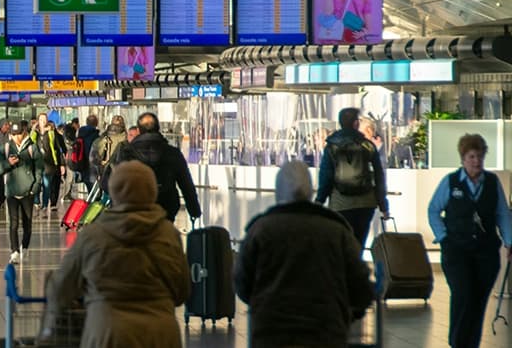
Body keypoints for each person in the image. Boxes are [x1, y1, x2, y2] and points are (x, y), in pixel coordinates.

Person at [42, 160, 189, 347]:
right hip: (160, 333)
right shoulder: (169, 234)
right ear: (152, 190)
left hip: (108, 332)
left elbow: (61, 289)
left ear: (114, 190)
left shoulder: (93, 236)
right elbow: (182, 291)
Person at [234, 161, 375, 346]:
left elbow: (242, 284)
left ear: (278, 193)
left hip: (271, 335)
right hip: (325, 334)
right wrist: (347, 313)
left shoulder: (260, 231)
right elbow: (361, 286)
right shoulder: (337, 232)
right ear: (311, 191)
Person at [427, 134, 512, 348]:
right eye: (472, 156)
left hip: (485, 252)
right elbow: (434, 210)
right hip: (456, 251)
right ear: (463, 158)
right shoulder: (451, 182)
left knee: (478, 300)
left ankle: (470, 343)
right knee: (463, 294)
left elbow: (502, 213)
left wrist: (510, 241)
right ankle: (457, 342)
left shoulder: (492, 183)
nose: (477, 161)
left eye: (480, 157)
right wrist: (443, 237)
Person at [316, 107, 389, 249]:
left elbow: (326, 176)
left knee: (341, 243)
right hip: (365, 203)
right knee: (358, 243)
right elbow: (379, 175)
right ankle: (356, 266)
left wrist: (320, 200)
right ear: (356, 123)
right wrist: (382, 204)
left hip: (340, 203)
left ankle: (344, 269)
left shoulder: (332, 146)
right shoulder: (367, 145)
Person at [131, 113, 202, 223]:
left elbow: (110, 182)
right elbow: (186, 184)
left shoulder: (127, 152)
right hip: (165, 209)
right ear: (158, 128)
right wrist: (194, 210)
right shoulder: (172, 153)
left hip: (135, 210)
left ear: (139, 131)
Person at [4, 120, 42, 264]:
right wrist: (8, 163)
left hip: (28, 191)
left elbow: (39, 168)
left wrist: (35, 187)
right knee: (13, 223)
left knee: (27, 222)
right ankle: (14, 251)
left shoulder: (32, 148)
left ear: (24, 133)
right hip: (12, 191)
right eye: (13, 134)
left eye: (18, 134)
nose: (16, 137)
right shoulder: (7, 147)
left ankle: (24, 247)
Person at [36, 121, 67, 214]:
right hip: (44, 164)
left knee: (54, 184)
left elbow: (62, 150)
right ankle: (42, 202)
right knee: (44, 184)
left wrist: (62, 164)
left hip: (54, 164)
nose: (50, 129)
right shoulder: (38, 136)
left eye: (52, 127)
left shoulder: (57, 137)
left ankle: (52, 203)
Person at [77, 115, 101, 190]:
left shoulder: (80, 133)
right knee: (94, 188)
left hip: (81, 162)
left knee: (89, 186)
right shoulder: (95, 136)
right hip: (92, 165)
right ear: (96, 123)